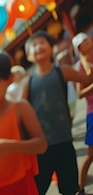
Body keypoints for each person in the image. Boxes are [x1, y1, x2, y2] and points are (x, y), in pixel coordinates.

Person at [22, 31, 93, 195]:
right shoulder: (28, 82)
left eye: (42, 43)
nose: (38, 46)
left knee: (69, 189)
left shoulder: (63, 71)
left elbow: (87, 80)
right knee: (37, 190)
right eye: (34, 45)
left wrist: (87, 59)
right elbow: (20, 112)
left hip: (64, 143)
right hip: (41, 147)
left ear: (52, 48)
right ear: (28, 55)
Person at [0, 50, 47, 195]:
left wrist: (11, 146)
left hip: (18, 184)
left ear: (10, 79)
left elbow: (41, 145)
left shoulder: (20, 108)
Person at [73, 32, 93, 195]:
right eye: (83, 42)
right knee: (90, 154)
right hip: (92, 112)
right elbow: (80, 94)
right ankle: (80, 188)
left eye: (87, 39)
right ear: (80, 49)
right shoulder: (82, 65)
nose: (87, 43)